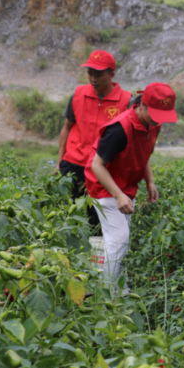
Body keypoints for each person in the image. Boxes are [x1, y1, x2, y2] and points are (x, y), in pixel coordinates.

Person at [84, 82, 178, 294]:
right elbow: (96, 165)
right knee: (119, 239)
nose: (158, 119)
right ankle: (105, 294)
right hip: (104, 186)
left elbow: (143, 153)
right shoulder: (119, 129)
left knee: (118, 240)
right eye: (155, 113)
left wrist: (150, 181)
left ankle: (119, 289)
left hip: (126, 187)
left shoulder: (153, 124)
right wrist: (118, 195)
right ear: (142, 105)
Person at [55, 50, 132, 232]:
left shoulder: (125, 102)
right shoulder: (78, 95)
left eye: (98, 74)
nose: (93, 79)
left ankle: (97, 258)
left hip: (102, 169)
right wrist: (59, 162)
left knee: (97, 222)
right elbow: (67, 127)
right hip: (72, 166)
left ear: (111, 74)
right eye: (90, 73)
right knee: (67, 218)